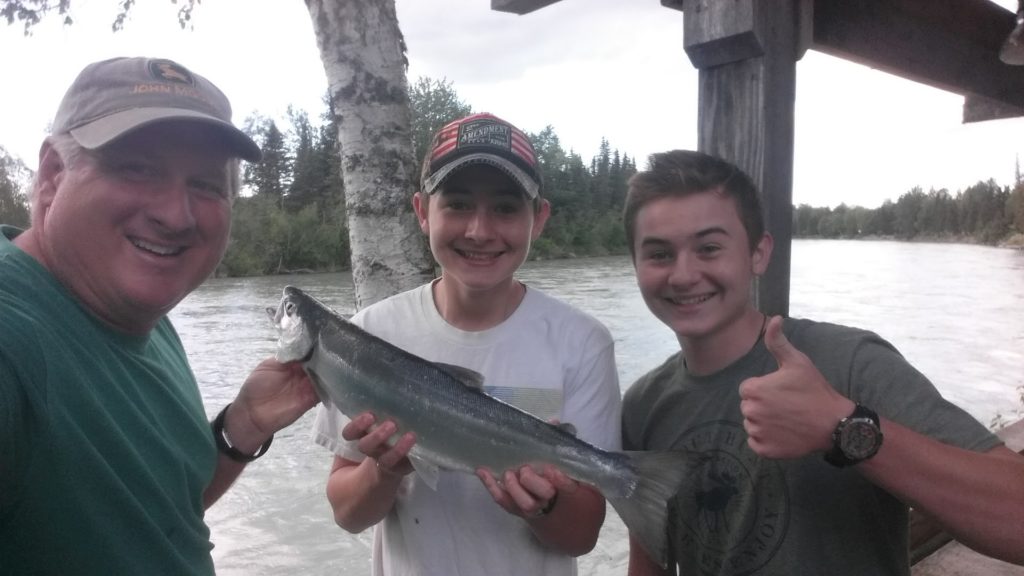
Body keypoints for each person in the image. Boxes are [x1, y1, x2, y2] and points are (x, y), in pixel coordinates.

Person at [620, 150, 1024, 575]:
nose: (683, 274)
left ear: (758, 254)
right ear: (635, 264)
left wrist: (844, 429)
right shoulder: (643, 405)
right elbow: (650, 561)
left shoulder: (850, 364)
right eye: (660, 254)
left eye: (709, 248)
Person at [0, 56, 317, 575]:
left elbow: (156, 518)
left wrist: (243, 426)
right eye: (138, 169)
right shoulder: (11, 339)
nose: (176, 214)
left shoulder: (138, 316)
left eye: (207, 185)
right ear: (54, 175)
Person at [312, 112, 622, 575]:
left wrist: (544, 506)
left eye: (505, 207)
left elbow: (582, 535)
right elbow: (346, 513)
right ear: (422, 212)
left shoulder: (583, 343)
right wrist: (385, 470)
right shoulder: (366, 335)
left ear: (538, 219)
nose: (479, 230)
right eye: (457, 204)